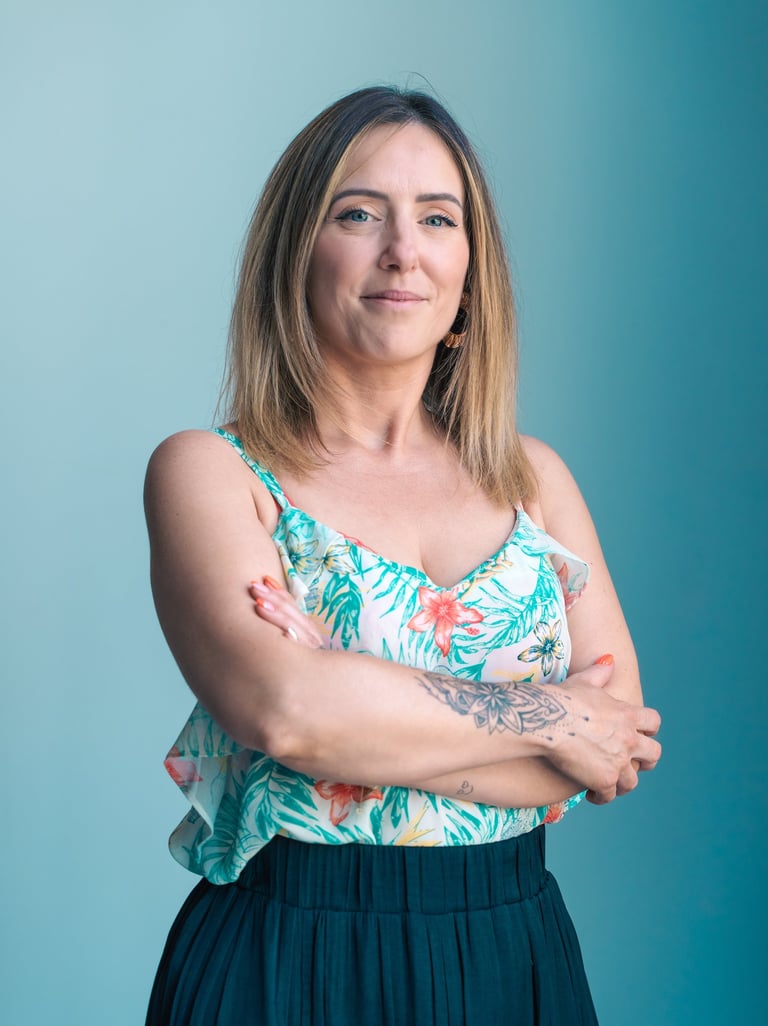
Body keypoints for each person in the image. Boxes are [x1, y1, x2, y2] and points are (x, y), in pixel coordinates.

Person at [144, 86, 661, 1026]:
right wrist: (549, 715)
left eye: (436, 217)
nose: (403, 250)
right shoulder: (213, 474)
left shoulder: (532, 481)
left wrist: (357, 706)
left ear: (470, 267)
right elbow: (287, 711)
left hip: (516, 950)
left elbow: (615, 749)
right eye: (358, 214)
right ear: (296, 252)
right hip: (288, 954)